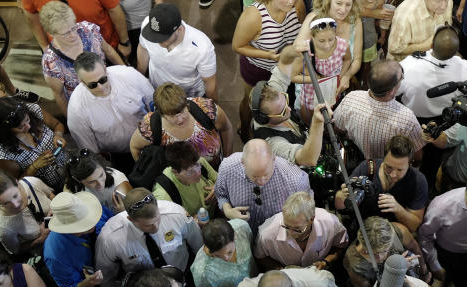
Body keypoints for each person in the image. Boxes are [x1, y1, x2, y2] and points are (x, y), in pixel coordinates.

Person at [94, 188, 202, 287]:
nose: (155, 227)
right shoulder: (110, 237)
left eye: (157, 220)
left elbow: (199, 247)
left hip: (184, 276)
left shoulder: (177, 215)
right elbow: (106, 276)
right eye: (148, 225)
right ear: (131, 219)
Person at [232, 0, 304, 137]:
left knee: (277, 104)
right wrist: (267, 55)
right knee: (250, 103)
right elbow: (237, 46)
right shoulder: (254, 16)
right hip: (258, 69)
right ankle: (245, 129)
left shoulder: (297, 5)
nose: (291, 2)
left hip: (284, 69)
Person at [249, 45, 329, 167]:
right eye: (282, 111)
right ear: (265, 119)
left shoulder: (273, 93)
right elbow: (308, 160)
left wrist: (297, 50)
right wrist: (317, 123)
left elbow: (285, 60)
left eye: (285, 100)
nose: (289, 109)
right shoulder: (272, 142)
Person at [39, 1, 124, 116]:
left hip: (106, 85)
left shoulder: (89, 30)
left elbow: (109, 51)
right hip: (85, 104)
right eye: (65, 34)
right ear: (51, 33)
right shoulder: (51, 62)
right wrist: (72, 122)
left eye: (73, 28)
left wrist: (126, 74)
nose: (73, 35)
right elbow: (59, 95)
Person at [214, 139, 312, 234]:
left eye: (266, 175)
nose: (261, 181)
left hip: (278, 237)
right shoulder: (228, 168)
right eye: (255, 176)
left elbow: (305, 211)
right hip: (242, 234)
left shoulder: (295, 179)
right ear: (243, 163)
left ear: (274, 159)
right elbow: (221, 194)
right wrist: (228, 211)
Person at [334, 135, 428, 233]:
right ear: (384, 159)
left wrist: (398, 209)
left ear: (410, 164)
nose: (393, 175)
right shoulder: (367, 169)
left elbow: (414, 226)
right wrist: (343, 195)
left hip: (393, 232)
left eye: (400, 170)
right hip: (363, 230)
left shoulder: (418, 181)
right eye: (389, 167)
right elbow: (339, 206)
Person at [333, 60, 425, 160]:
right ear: (392, 91)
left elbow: (338, 130)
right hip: (387, 169)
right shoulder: (407, 119)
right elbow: (416, 156)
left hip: (356, 161)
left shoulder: (350, 99)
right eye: (401, 77)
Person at [67, 52, 153, 158]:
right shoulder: (76, 110)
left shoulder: (130, 76)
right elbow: (91, 152)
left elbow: (154, 102)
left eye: (103, 80)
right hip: (119, 156)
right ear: (81, 81)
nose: (100, 88)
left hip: (151, 141)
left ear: (105, 68)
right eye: (93, 85)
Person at [129, 82, 233, 168]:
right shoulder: (151, 126)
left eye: (183, 111)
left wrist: (227, 161)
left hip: (214, 171)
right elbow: (134, 147)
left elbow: (226, 128)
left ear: (186, 104)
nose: (180, 119)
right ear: (161, 114)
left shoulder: (206, 109)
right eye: (172, 116)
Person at [137, 4, 218, 99]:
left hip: (186, 97)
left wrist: (213, 109)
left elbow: (210, 84)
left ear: (179, 29)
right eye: (154, 36)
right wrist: (140, 79)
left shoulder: (202, 47)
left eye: (163, 37)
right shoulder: (147, 25)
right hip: (156, 89)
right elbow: (143, 49)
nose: (157, 42)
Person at [44, 191, 113, 287]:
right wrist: (89, 282)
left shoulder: (94, 208)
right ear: (67, 228)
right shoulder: (55, 255)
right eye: (83, 223)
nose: (92, 222)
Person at [0, 97, 68, 191]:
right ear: (6, 129)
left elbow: (57, 125)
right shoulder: (3, 153)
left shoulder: (34, 110)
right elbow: (16, 186)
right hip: (48, 190)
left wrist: (58, 135)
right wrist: (34, 167)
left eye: (27, 119)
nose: (28, 126)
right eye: (20, 127)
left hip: (68, 167)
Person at [255, 191, 349, 269]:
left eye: (297, 229)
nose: (290, 233)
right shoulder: (267, 233)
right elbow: (260, 257)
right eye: (286, 226)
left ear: (311, 219)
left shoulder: (331, 224)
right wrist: (280, 270)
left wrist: (326, 262)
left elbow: (341, 246)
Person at [398, 27, 467, 119]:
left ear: (431, 45)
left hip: (412, 117)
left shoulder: (407, 65)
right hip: (446, 119)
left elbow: (394, 92)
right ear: (457, 50)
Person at [191, 218, 259, 287]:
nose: (226, 258)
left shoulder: (242, 228)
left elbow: (253, 246)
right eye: (217, 255)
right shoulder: (201, 271)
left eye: (229, 252)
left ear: (235, 236)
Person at [19, 0, 132, 57]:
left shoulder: (91, 30)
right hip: (64, 53)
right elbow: (30, 13)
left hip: (103, 46)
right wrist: (44, 45)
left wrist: (124, 42)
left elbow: (114, 9)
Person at [0, 169, 54, 257]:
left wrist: (55, 207)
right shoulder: (3, 228)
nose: (16, 204)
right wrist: (41, 239)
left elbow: (51, 195)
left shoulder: (31, 182)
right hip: (46, 252)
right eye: (6, 203)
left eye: (15, 195)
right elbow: (17, 250)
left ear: (18, 183)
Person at [152, 141, 219, 218]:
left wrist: (217, 188)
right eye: (190, 172)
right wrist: (190, 222)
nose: (198, 173)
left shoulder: (200, 162)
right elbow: (168, 224)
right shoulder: (163, 195)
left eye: (197, 165)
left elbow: (222, 181)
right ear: (175, 172)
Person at [387, 0, 451, 61]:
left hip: (432, 61)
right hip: (405, 66)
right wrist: (424, 46)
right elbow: (394, 49)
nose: (444, 6)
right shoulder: (406, 15)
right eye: (437, 1)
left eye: (446, 0)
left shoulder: (449, 3)